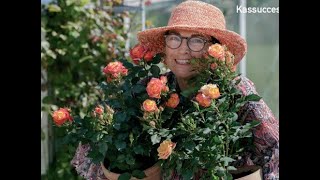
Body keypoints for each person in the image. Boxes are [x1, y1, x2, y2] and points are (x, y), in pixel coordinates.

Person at [71, 1, 279, 179]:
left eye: (197, 40)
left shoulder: (234, 90)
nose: (183, 49)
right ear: (165, 47)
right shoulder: (147, 89)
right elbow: (96, 138)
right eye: (174, 38)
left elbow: (274, 148)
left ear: (214, 50)